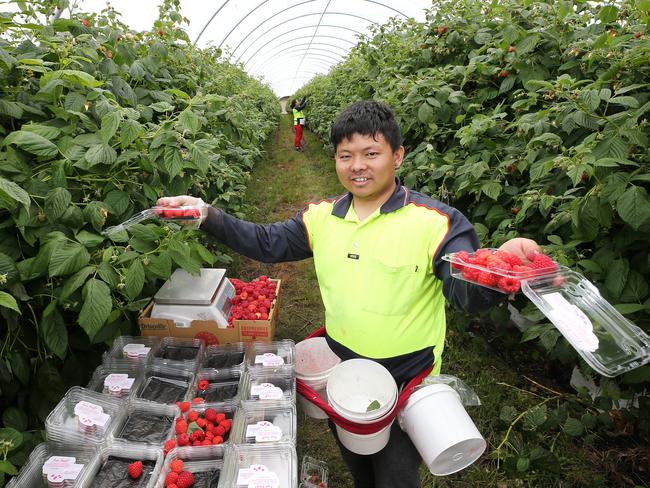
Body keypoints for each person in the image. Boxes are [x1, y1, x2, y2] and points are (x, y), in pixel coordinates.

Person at [157, 100, 542, 488]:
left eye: (371, 153)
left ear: (398, 156)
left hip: (408, 373)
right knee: (358, 458)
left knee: (395, 473)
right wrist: (208, 214)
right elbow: (266, 243)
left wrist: (494, 272)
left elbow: (463, 291)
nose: (357, 165)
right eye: (346, 155)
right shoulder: (322, 218)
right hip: (342, 367)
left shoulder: (435, 222)